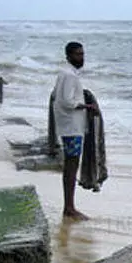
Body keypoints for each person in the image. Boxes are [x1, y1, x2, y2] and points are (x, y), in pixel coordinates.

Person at [52, 41, 97, 220]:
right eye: (78, 54)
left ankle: (69, 206)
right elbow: (66, 101)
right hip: (71, 127)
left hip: (68, 125)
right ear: (69, 56)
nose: (81, 57)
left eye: (83, 54)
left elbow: (56, 96)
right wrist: (87, 106)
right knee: (71, 165)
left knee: (71, 165)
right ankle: (69, 207)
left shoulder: (65, 74)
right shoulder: (70, 76)